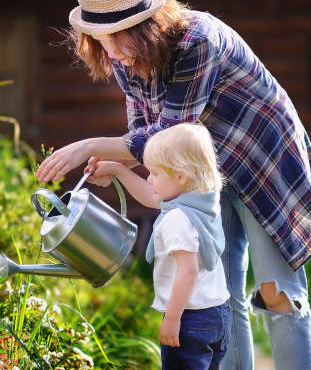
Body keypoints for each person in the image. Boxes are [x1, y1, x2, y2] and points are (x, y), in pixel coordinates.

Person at [35, 0, 311, 368]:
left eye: (118, 38)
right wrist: (117, 165)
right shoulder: (123, 59)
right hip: (203, 169)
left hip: (261, 158)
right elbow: (147, 139)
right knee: (217, 291)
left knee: (278, 294)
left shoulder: (198, 40)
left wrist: (89, 146)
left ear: (145, 27)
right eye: (101, 41)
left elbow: (171, 134)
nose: (113, 53)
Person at [90, 123, 231, 369]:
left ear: (180, 176)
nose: (149, 177)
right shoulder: (204, 200)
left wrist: (173, 319)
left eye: (155, 173)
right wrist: (117, 170)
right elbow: (151, 196)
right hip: (217, 313)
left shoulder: (178, 219)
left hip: (189, 317)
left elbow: (188, 272)